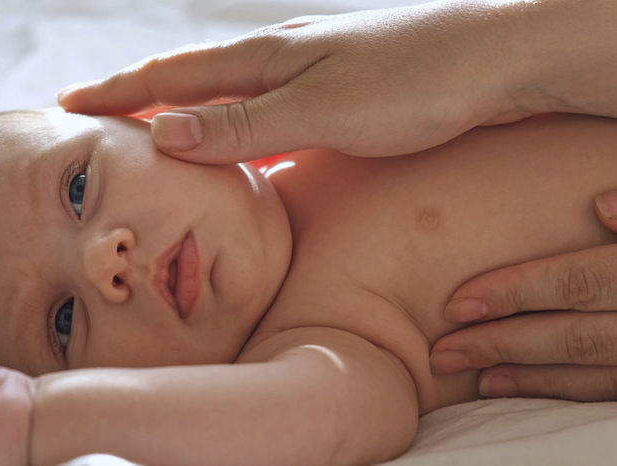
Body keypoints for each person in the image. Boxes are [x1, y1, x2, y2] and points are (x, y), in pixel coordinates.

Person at [57, 0, 617, 401]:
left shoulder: (322, 112)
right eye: (60, 322)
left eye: (77, 189)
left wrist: (489, 35)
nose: (100, 262)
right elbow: (279, 424)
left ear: (151, 119)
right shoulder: (307, 344)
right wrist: (45, 421)